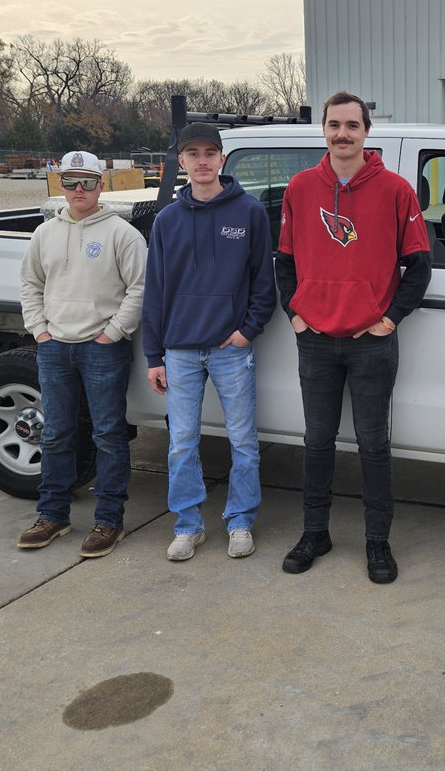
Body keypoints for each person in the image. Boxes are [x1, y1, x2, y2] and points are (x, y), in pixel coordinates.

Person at [276, 91, 432, 584]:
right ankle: (314, 532)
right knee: (317, 441)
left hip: (371, 343)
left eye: (351, 125)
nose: (342, 134)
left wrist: (388, 320)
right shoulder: (300, 187)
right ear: (323, 130)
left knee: (373, 444)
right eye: (334, 125)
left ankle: (377, 541)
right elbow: (284, 260)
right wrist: (296, 314)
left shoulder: (395, 190)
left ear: (366, 132)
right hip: (315, 340)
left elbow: (419, 266)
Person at [143, 122, 276, 561]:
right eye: (193, 154)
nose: (202, 161)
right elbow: (155, 291)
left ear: (221, 158)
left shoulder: (249, 213)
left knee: (243, 441)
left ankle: (240, 521)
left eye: (209, 153)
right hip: (179, 351)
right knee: (182, 443)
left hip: (229, 350)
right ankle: (188, 526)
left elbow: (264, 282)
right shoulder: (167, 220)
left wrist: (246, 331)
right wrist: (154, 355)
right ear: (181, 161)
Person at [18, 150, 146, 558]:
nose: (78, 189)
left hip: (102, 349)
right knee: (56, 433)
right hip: (55, 347)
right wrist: (40, 331)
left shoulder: (123, 234)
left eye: (87, 182)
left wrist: (112, 333)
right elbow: (30, 284)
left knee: (108, 435)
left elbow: (140, 288)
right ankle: (52, 515)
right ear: (60, 184)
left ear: (100, 185)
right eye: (70, 181)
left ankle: (108, 520)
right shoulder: (44, 234)